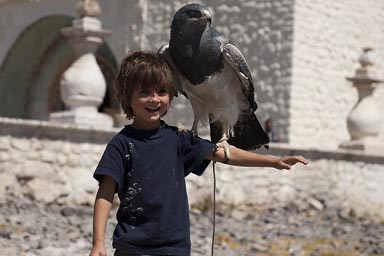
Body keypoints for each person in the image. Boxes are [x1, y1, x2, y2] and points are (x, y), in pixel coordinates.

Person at [89, 51, 308, 256]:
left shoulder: (179, 140)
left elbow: (224, 153)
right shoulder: (121, 145)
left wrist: (272, 161)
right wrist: (98, 242)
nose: (154, 99)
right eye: (144, 93)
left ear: (170, 97)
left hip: (175, 248)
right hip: (132, 248)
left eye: (162, 92)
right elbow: (106, 193)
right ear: (127, 98)